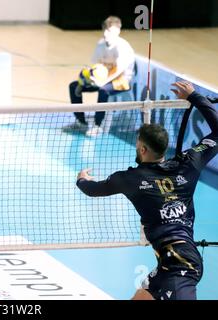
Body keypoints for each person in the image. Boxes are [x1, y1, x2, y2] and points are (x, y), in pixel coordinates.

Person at [76, 81, 218, 300]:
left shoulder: (129, 179)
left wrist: (82, 179)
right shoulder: (189, 164)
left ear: (142, 149)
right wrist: (194, 97)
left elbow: (92, 190)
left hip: (182, 267)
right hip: (169, 263)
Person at [63, 16, 135, 137]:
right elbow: (95, 67)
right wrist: (85, 81)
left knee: (103, 90)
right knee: (74, 86)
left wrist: (103, 82)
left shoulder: (122, 47)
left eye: (110, 31)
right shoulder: (101, 45)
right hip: (104, 78)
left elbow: (119, 71)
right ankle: (81, 122)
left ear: (118, 31)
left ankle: (98, 126)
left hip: (122, 80)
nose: (106, 33)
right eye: (105, 30)